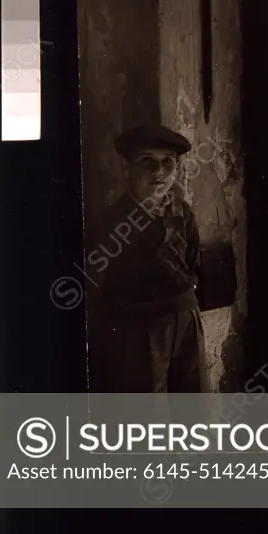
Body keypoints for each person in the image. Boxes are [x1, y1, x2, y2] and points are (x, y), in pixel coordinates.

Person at [87, 125, 207, 394]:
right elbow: (97, 281)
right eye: (147, 162)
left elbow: (192, 260)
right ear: (127, 169)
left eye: (167, 162)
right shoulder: (112, 220)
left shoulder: (182, 213)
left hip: (183, 318)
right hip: (139, 327)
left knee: (192, 403)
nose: (159, 172)